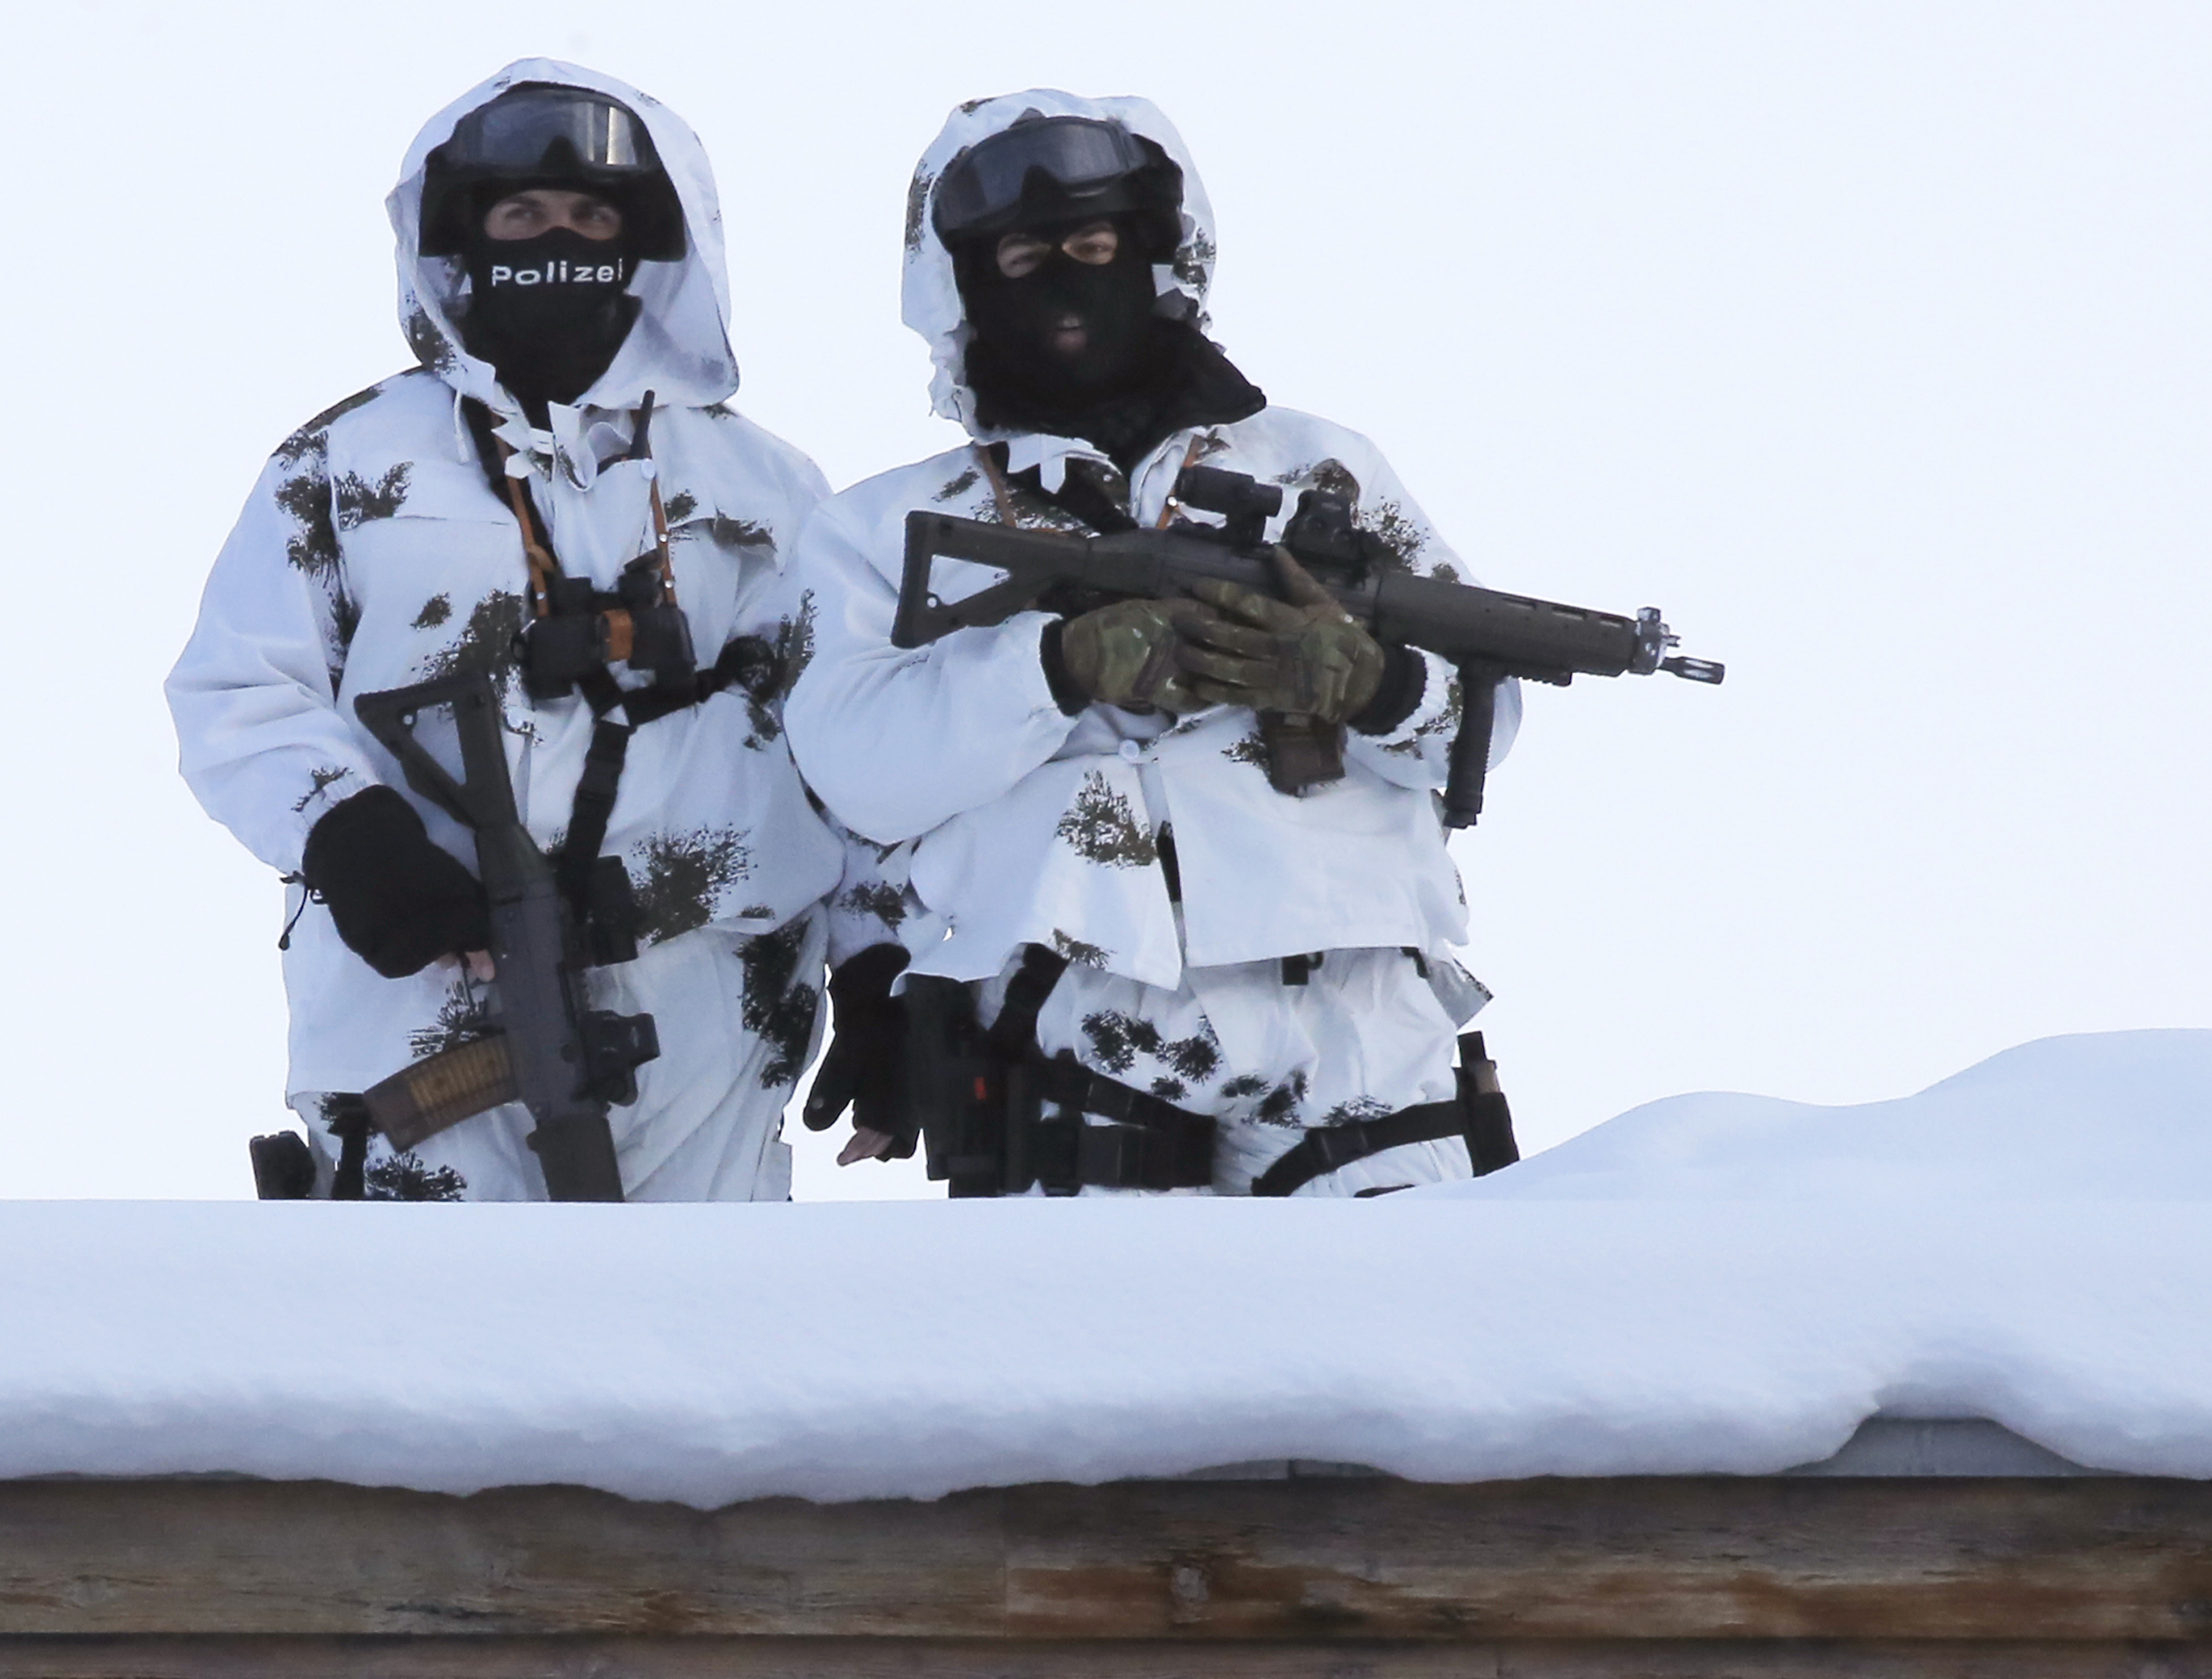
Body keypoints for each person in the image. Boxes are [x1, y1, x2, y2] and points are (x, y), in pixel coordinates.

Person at [785, 92, 1521, 1198]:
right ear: (965, 289)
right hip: (1077, 1011)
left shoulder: (1326, 470)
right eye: (1024, 259)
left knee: (1412, 1345)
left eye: (1095, 247)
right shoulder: (884, 525)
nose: (1069, 284)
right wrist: (1054, 671)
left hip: (1362, 1004)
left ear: (1161, 258)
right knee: (1107, 1357)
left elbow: (1487, 723)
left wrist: (1376, 688)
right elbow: (852, 772)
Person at [168, 61, 837, 1201]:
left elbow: (842, 735)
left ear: (644, 241)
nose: (554, 239)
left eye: (588, 217)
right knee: (437, 1359)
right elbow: (238, 690)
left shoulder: (766, 487)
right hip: (425, 1003)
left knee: (707, 1354)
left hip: (711, 1009)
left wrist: (879, 967)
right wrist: (348, 834)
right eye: (519, 216)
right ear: (460, 241)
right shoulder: (345, 461)